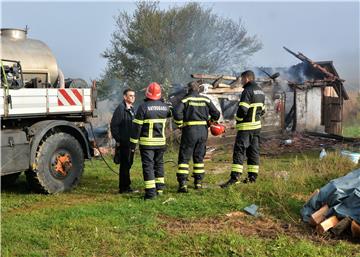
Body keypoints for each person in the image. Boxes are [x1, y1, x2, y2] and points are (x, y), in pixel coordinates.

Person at [174, 81, 220, 193]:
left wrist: (180, 124)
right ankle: (198, 183)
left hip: (190, 131)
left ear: (188, 89)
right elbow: (216, 114)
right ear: (198, 89)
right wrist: (211, 122)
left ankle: (183, 184)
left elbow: (176, 112)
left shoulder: (185, 100)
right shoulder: (206, 99)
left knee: (185, 157)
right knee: (199, 157)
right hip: (203, 132)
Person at [221, 70, 265, 188]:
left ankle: (235, 178)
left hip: (246, 127)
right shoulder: (261, 91)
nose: (241, 81)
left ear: (246, 78)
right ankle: (252, 177)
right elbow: (263, 110)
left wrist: (237, 119)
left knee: (240, 151)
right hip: (256, 127)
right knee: (253, 152)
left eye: (241, 79)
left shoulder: (247, 90)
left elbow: (243, 110)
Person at [129, 82, 172, 200]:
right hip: (161, 143)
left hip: (147, 144)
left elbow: (136, 127)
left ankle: (150, 193)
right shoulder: (165, 107)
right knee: (159, 165)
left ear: (147, 93)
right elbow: (172, 112)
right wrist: (164, 102)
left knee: (148, 166)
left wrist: (132, 144)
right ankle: (160, 189)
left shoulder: (143, 107)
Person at [110, 88, 136, 193]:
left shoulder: (132, 109)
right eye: (130, 95)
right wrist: (119, 140)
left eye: (134, 96)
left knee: (129, 163)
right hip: (124, 142)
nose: (133, 97)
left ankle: (127, 186)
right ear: (125, 97)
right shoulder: (121, 109)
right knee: (125, 165)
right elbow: (114, 126)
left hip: (131, 142)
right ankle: (124, 188)